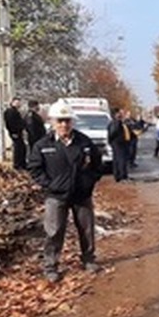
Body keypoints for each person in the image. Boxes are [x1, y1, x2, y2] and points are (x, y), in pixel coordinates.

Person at [28, 100, 105, 283]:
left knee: (86, 230)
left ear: (73, 122)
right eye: (60, 121)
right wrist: (50, 185)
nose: (64, 125)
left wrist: (88, 183)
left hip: (81, 196)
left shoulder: (84, 142)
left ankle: (88, 259)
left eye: (67, 121)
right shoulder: (42, 145)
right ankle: (51, 266)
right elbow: (34, 169)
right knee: (54, 231)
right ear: (53, 122)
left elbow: (97, 165)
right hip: (56, 196)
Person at [107, 107, 133, 182]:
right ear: (116, 114)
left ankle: (122, 176)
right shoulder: (116, 122)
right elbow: (113, 133)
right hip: (118, 144)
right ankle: (121, 177)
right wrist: (113, 141)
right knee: (121, 160)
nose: (121, 114)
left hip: (122, 143)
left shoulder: (120, 122)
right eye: (120, 113)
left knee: (120, 160)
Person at [3, 96, 28, 170]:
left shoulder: (15, 111)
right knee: (18, 148)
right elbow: (10, 123)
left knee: (21, 147)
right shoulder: (11, 112)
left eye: (19, 102)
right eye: (16, 102)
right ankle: (18, 164)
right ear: (12, 102)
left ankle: (21, 163)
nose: (18, 104)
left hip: (18, 131)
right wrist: (13, 132)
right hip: (15, 132)